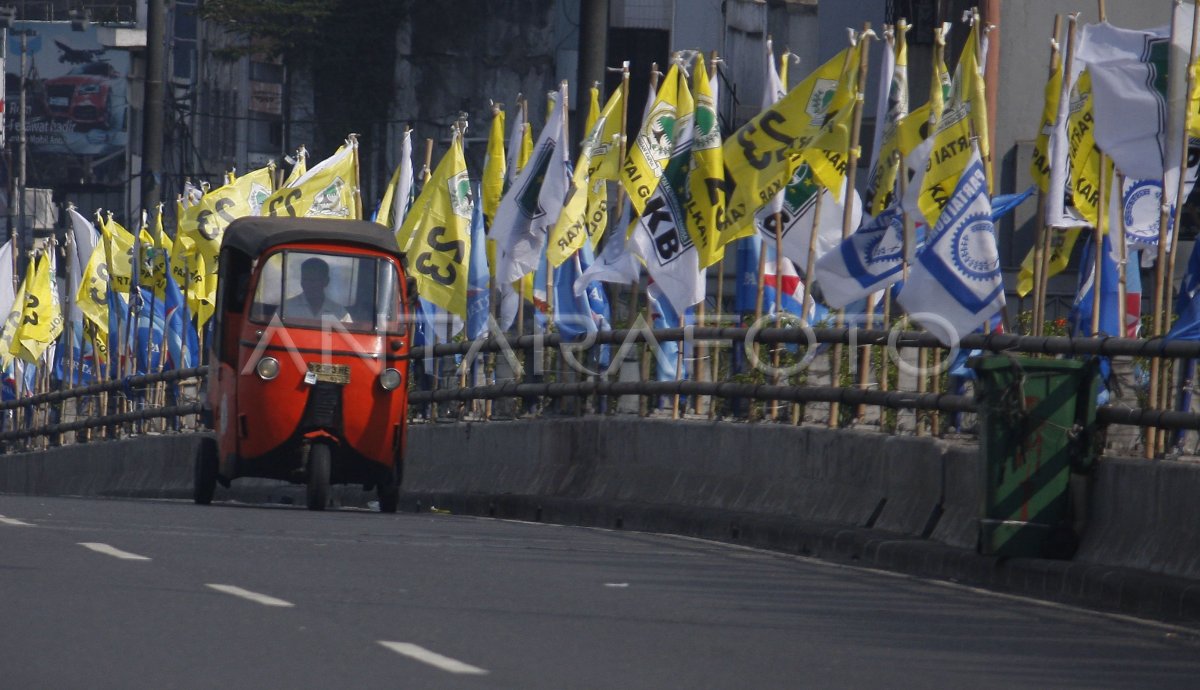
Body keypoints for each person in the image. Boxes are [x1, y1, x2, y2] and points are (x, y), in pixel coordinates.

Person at [283, 257, 350, 323]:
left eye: (314, 280)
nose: (309, 285)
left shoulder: (339, 312)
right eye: (305, 280)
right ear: (301, 282)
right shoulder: (286, 308)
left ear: (326, 281)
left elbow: (349, 333)